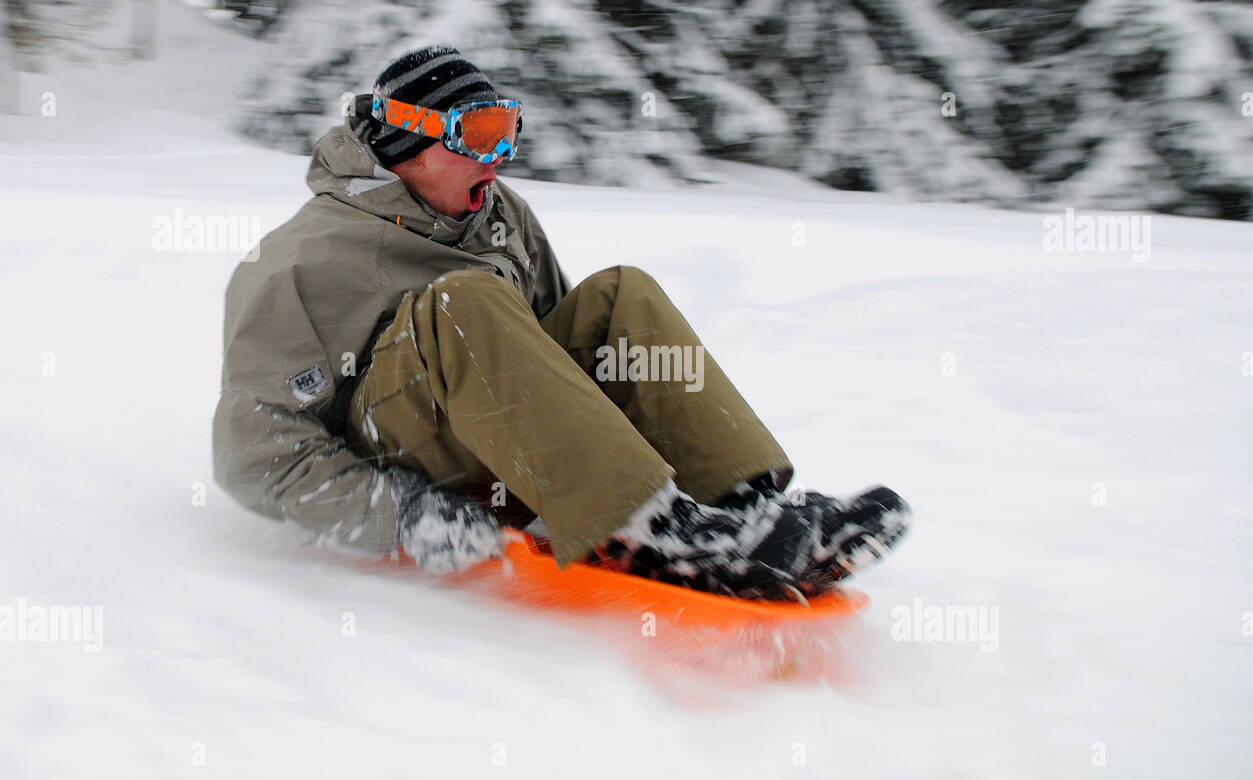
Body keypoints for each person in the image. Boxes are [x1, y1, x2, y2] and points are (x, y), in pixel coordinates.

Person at [213, 46, 912, 600]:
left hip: (497, 445)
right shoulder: (300, 263)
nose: (501, 155)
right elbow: (254, 458)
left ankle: (739, 504)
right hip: (404, 465)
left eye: (507, 130)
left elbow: (552, 358)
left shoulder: (499, 214)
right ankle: (654, 532)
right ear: (409, 145)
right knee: (466, 302)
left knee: (618, 297)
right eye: (480, 136)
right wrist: (400, 513)